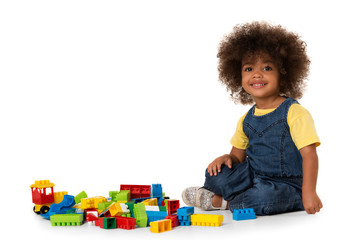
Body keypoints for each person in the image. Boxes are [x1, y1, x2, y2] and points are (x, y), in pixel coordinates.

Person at [182, 21, 323, 215]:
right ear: (237, 76)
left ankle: (224, 202)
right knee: (215, 175)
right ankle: (232, 195)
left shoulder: (294, 112)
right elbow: (237, 158)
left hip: (285, 185)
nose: (256, 74)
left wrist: (309, 192)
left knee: (262, 198)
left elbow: (309, 155)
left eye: (266, 68)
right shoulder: (246, 119)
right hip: (252, 175)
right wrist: (225, 159)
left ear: (283, 75)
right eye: (249, 69)